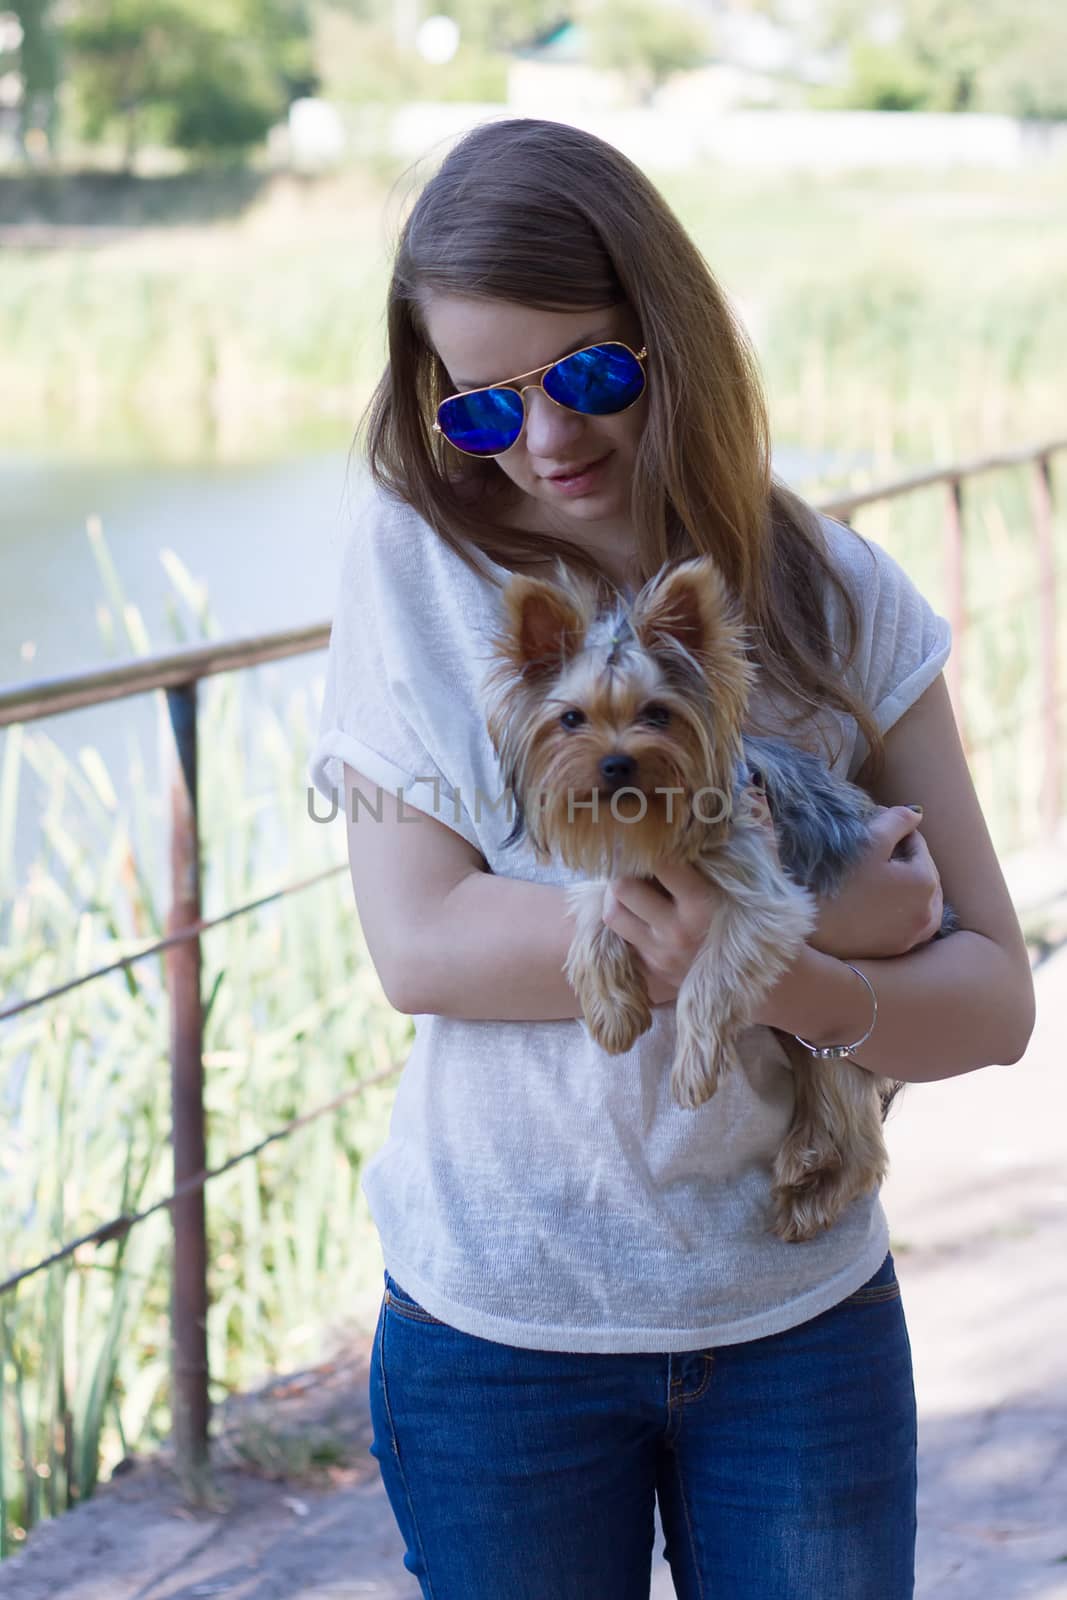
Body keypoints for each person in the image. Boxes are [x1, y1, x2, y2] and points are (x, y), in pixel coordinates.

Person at [308, 117, 1035, 1600]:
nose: (548, 442)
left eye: (585, 375)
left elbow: (997, 998)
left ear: (671, 337)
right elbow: (422, 946)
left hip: (798, 1325)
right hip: (497, 1331)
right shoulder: (417, 569)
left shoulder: (843, 599)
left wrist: (805, 981)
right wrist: (824, 906)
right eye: (482, 410)